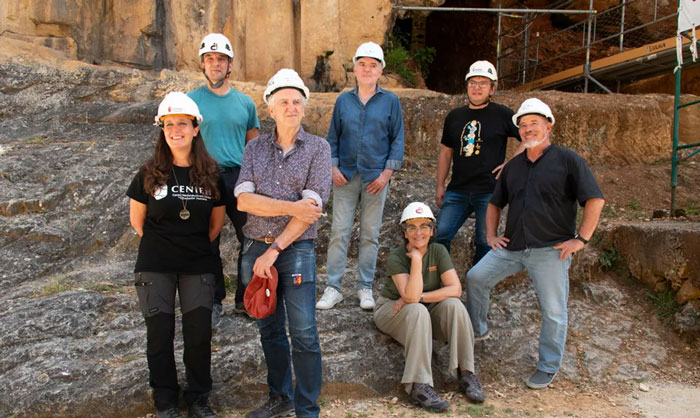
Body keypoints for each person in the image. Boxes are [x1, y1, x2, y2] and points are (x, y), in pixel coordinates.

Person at [466, 98, 605, 389]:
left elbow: (594, 199)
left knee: (554, 310)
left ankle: (548, 365)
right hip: (513, 247)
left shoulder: (568, 160)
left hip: (550, 250)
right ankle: (478, 330)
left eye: (534, 124)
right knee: (476, 277)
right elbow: (494, 204)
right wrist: (491, 236)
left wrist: (581, 239)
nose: (528, 129)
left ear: (548, 126)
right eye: (524, 125)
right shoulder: (513, 166)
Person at [234, 69, 331, 418]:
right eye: (283, 102)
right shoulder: (254, 148)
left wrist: (275, 250)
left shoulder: (319, 149)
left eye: (296, 102)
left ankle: (307, 410)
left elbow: (313, 210)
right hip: (255, 247)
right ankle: (280, 397)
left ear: (304, 109)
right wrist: (292, 206)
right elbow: (244, 202)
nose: (291, 107)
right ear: (270, 109)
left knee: (304, 331)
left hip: (295, 250)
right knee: (269, 328)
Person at [127, 92, 225, 418]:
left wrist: (188, 246)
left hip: (198, 263)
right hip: (155, 265)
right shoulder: (148, 173)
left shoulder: (212, 174)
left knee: (198, 335)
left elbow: (215, 225)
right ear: (162, 130)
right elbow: (137, 222)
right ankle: (166, 402)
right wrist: (166, 245)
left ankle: (198, 400)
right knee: (159, 336)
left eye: (182, 123)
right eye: (168, 124)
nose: (175, 130)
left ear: (196, 128)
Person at [317, 41, 405, 311]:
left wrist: (387, 174)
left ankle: (364, 288)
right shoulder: (344, 100)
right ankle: (333, 288)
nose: (367, 70)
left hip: (376, 180)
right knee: (339, 232)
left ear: (381, 71)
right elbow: (332, 137)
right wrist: (333, 167)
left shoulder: (391, 102)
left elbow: (397, 139)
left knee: (370, 234)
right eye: (363, 64)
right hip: (345, 176)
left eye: (373, 65)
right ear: (354, 69)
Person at [373, 202, 485, 412]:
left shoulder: (438, 250)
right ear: (404, 232)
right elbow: (411, 298)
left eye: (424, 226)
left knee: (455, 306)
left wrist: (422, 296)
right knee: (417, 310)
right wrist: (416, 260)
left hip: (422, 309)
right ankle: (419, 385)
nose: (418, 232)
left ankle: (466, 373)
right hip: (391, 311)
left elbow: (455, 289)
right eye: (412, 227)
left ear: (432, 230)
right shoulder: (397, 256)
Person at [187, 33, 260, 323]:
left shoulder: (245, 103)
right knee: (208, 242)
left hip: (239, 177)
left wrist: (257, 181)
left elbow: (254, 146)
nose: (215, 64)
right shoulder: (190, 102)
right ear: (202, 65)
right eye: (209, 59)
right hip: (203, 177)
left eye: (221, 59)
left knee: (252, 237)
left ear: (230, 65)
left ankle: (245, 299)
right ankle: (214, 301)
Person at [435, 60, 523, 267]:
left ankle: (477, 286)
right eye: (473, 82)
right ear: (466, 86)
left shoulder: (503, 114)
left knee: (485, 241)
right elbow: (446, 153)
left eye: (483, 83)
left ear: (492, 88)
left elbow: (529, 137)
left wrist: (511, 163)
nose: (476, 87)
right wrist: (440, 185)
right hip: (457, 189)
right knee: (440, 235)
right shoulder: (455, 116)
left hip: (489, 191)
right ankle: (442, 281)